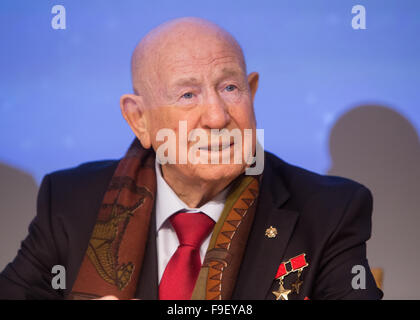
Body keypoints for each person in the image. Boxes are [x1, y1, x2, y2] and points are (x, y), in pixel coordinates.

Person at [0, 17, 382, 300]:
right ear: (139, 119)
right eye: (187, 95)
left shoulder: (329, 211)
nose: (217, 117)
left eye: (230, 88)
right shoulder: (69, 200)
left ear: (252, 92)